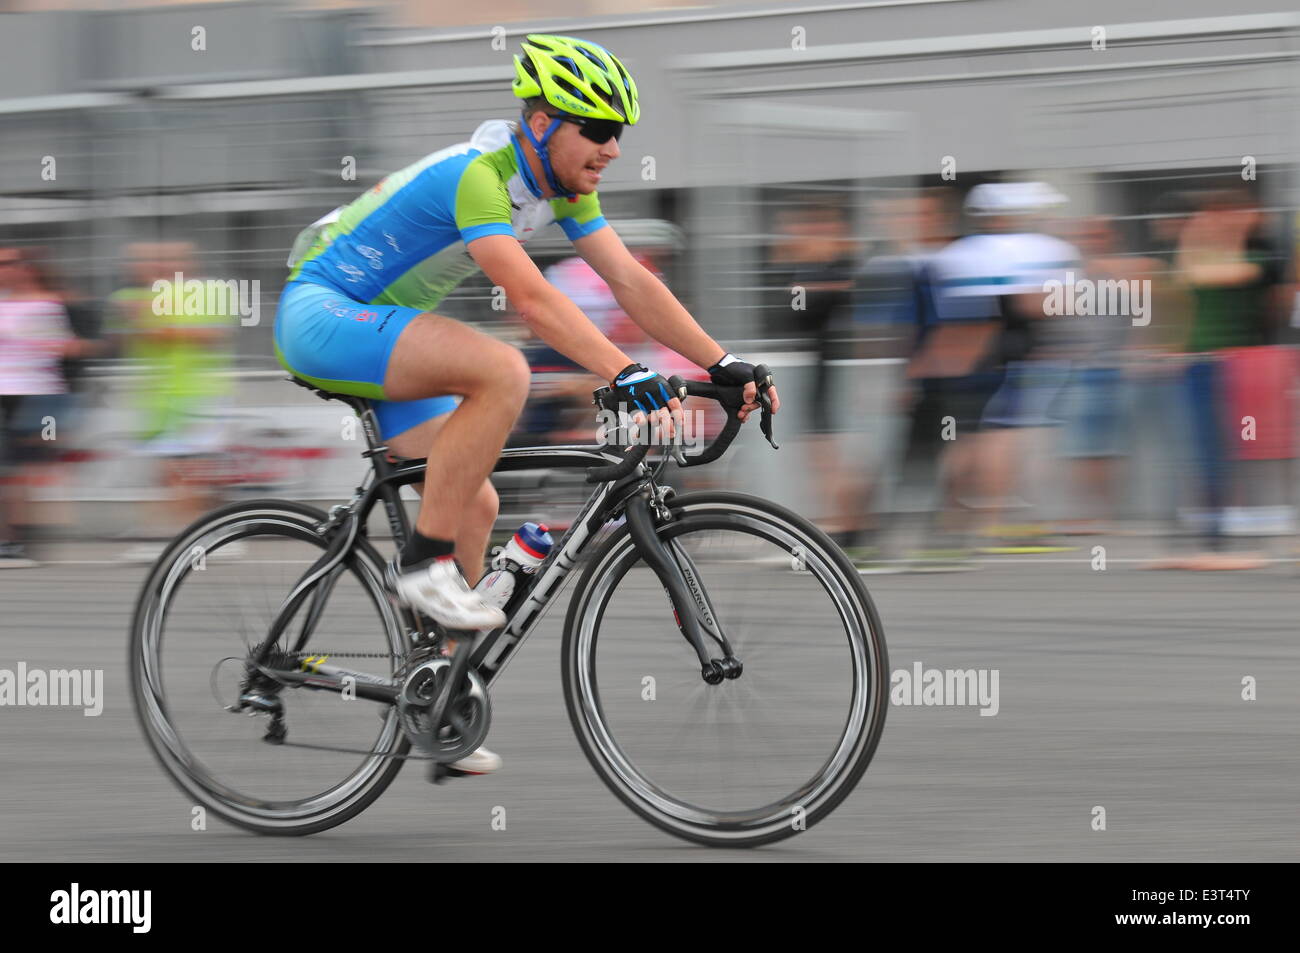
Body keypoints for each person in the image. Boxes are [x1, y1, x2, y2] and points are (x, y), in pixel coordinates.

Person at [273, 34, 780, 774]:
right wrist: (622, 371)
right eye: (597, 130)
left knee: (471, 500)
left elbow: (630, 282)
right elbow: (534, 300)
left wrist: (722, 361)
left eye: (620, 134)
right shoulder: (478, 175)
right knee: (502, 370)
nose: (611, 148)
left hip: (376, 333)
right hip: (323, 314)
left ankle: (439, 699)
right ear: (541, 123)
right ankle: (421, 567)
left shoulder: (562, 189)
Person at [0, 247, 94, 567]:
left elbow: (72, 347)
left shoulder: (50, 303)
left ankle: (25, 537)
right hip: (8, 395)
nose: (4, 269)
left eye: (8, 263)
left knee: (35, 465)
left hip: (43, 397)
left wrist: (50, 343)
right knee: (13, 471)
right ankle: (16, 538)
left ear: (27, 269)